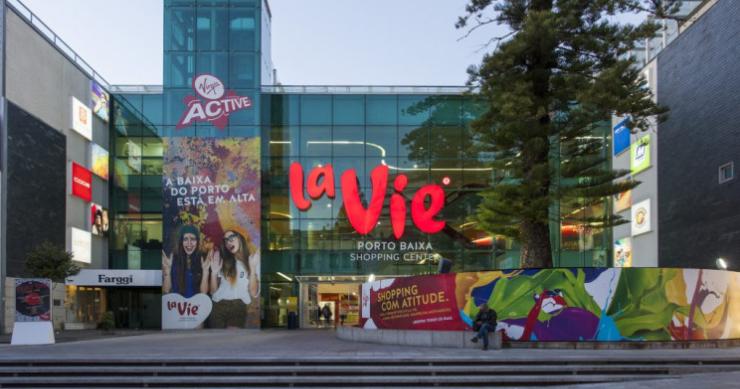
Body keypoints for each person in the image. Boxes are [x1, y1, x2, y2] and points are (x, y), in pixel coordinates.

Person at [208, 228, 260, 328]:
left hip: (238, 306)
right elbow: (213, 292)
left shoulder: (252, 260)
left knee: (232, 339)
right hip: (218, 304)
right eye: (226, 240)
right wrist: (213, 273)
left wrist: (252, 269)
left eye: (231, 237)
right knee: (216, 340)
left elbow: (254, 293)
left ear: (240, 237)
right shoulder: (222, 260)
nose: (228, 242)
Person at [162, 225, 209, 298]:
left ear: (197, 242)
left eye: (193, 239)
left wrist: (206, 271)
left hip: (196, 307)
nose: (189, 243)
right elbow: (166, 290)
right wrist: (167, 271)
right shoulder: (172, 260)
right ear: (181, 242)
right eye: (185, 239)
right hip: (177, 306)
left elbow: (204, 293)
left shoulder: (203, 260)